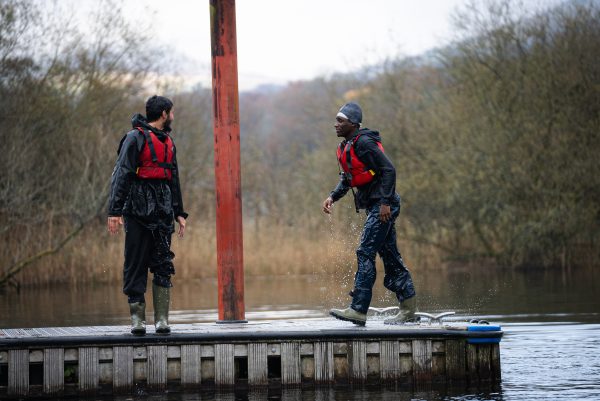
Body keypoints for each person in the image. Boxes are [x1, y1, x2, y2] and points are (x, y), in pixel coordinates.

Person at [323, 102, 417, 326]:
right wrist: (332, 197)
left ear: (353, 124)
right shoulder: (348, 145)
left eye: (340, 121)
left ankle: (358, 309)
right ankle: (409, 309)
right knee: (390, 256)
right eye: (336, 120)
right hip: (378, 206)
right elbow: (349, 178)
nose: (335, 124)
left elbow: (388, 170)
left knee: (365, 252)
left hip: (383, 206)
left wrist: (385, 204)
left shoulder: (364, 142)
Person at [107, 95, 187, 335]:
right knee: (135, 263)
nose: (173, 116)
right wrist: (114, 211)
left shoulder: (169, 142)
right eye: (171, 112)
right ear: (163, 113)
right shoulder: (134, 138)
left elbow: (173, 179)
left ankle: (162, 320)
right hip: (137, 208)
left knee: (163, 262)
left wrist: (179, 212)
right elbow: (122, 174)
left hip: (162, 210)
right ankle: (138, 320)